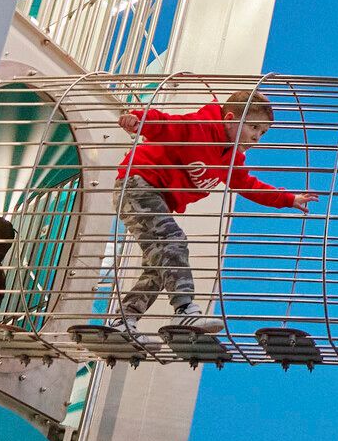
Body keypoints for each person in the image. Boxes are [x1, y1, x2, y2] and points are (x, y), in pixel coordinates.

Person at [106, 88, 316, 336]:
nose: (257, 137)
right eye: (253, 127)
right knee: (173, 242)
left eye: (263, 132)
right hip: (137, 184)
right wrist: (138, 120)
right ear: (229, 120)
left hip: (156, 197)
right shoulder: (200, 128)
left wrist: (288, 199)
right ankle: (185, 311)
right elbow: (166, 125)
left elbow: (247, 185)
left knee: (160, 265)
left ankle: (123, 321)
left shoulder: (231, 158)